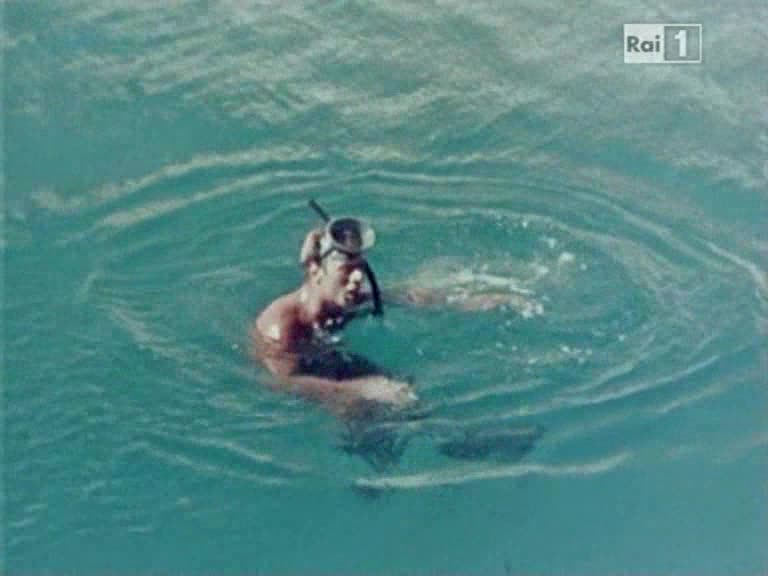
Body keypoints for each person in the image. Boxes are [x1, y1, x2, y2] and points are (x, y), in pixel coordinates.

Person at [250, 209, 525, 415]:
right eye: (346, 272)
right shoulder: (282, 325)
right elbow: (283, 382)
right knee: (365, 404)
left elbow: (407, 296)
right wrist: (363, 390)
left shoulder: (344, 300)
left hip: (329, 357)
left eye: (360, 271)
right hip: (302, 372)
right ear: (316, 270)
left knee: (401, 390)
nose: (357, 280)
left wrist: (474, 301)